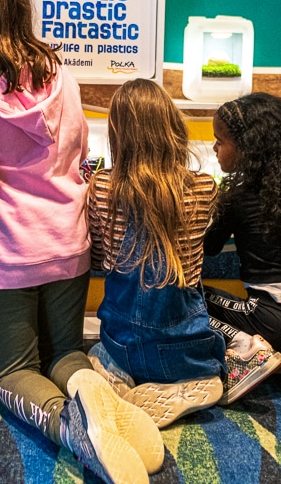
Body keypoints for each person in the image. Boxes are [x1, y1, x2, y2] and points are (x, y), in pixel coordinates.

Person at [0, 0, 162, 484]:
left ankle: (73, 428)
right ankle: (90, 389)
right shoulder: (60, 74)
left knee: (14, 372)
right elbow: (82, 155)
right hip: (70, 240)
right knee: (65, 352)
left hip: (7, 250)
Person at [83, 79, 228, 428]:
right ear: (173, 128)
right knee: (213, 339)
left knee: (92, 355)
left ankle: (119, 377)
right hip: (185, 350)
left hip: (123, 345)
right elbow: (194, 267)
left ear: (118, 135)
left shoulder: (102, 186)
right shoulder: (204, 188)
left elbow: (101, 260)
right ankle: (200, 381)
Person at [203, 93, 281, 395]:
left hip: (270, 322)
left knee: (185, 298)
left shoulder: (237, 198)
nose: (214, 148)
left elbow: (208, 248)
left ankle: (245, 347)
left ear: (247, 148)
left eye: (219, 141)